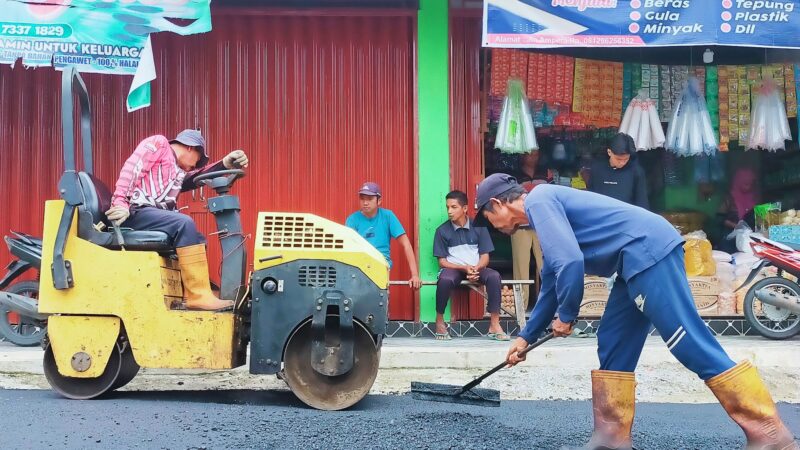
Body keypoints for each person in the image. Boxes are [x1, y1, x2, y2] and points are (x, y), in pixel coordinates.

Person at [473, 173, 796, 450]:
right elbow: (554, 280)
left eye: (488, 219)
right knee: (613, 340)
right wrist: (525, 337)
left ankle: (769, 432)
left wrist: (568, 316)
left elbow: (570, 262)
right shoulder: (543, 213)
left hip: (648, 251)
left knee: (688, 342)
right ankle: (611, 436)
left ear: (498, 205)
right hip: (631, 263)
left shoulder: (539, 200)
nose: (493, 226)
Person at [105, 129, 249, 312]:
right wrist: (120, 202)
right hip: (135, 212)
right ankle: (198, 296)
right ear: (190, 148)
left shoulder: (177, 170)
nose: (194, 166)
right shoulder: (158, 144)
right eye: (197, 159)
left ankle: (189, 294)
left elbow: (196, 177)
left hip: (150, 215)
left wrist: (224, 164)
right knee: (184, 223)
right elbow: (133, 168)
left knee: (197, 238)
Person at [432, 190, 507, 341]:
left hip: (477, 268)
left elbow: (485, 256)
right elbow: (442, 262)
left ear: (465, 208)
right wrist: (464, 268)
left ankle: (494, 324)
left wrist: (476, 268)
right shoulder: (442, 231)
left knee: (494, 276)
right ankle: (439, 321)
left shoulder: (479, 227)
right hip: (455, 269)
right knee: (445, 279)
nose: (449, 211)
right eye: (447, 207)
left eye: (454, 207)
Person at [345, 182, 421, 289]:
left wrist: (415, 275)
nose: (365, 203)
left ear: (379, 201)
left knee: (379, 300)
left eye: (370, 199)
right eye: (362, 199)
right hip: (359, 266)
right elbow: (348, 248)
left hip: (381, 264)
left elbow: (406, 244)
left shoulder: (388, 216)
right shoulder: (352, 219)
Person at [512, 151, 547, 309]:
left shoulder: (545, 174)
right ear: (522, 156)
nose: (533, 157)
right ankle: (521, 306)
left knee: (547, 264)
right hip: (520, 225)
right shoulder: (514, 177)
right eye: (529, 154)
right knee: (521, 266)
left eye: (535, 154)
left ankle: (549, 304)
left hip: (541, 224)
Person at [587, 132, 649, 209]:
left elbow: (642, 201)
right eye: (618, 159)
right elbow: (590, 196)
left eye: (626, 159)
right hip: (602, 215)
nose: (622, 163)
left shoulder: (636, 171)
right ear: (609, 152)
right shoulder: (597, 169)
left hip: (626, 216)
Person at [717, 167, 759, 252]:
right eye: (745, 184)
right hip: (730, 240)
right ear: (738, 183)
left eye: (750, 184)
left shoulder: (752, 198)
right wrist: (737, 227)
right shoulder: (729, 198)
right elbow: (719, 219)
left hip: (748, 239)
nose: (748, 187)